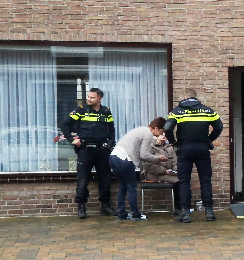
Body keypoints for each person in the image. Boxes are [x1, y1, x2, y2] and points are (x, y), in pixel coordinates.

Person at [165, 89, 223, 223]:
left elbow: (167, 128)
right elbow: (219, 127)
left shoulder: (177, 111)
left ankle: (185, 213)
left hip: (184, 148)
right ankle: (209, 212)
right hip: (202, 148)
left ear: (184, 97)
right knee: (205, 180)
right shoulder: (208, 111)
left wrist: (173, 142)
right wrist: (209, 140)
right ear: (196, 98)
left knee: (184, 181)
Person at [60, 87, 115, 219]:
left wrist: (111, 144)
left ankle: (105, 205)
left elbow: (112, 130)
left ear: (99, 99)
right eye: (88, 97)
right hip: (85, 150)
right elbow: (64, 124)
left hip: (102, 150)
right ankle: (81, 206)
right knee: (83, 179)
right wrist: (71, 139)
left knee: (105, 179)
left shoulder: (106, 112)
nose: (88, 99)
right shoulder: (81, 110)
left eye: (92, 97)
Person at [108, 117, 168, 220]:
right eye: (161, 131)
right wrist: (158, 158)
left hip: (113, 157)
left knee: (123, 187)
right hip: (124, 159)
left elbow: (140, 154)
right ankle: (135, 214)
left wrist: (154, 159)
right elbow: (144, 155)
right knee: (131, 187)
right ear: (156, 128)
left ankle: (122, 214)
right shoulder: (148, 134)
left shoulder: (141, 130)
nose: (161, 135)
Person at [141, 132, 180, 208]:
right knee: (178, 182)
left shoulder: (169, 148)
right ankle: (178, 208)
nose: (164, 136)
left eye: (166, 134)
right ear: (156, 135)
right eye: (162, 134)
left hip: (168, 174)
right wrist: (164, 171)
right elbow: (147, 165)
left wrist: (175, 171)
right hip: (154, 175)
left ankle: (183, 207)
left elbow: (174, 162)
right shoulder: (150, 146)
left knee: (183, 180)